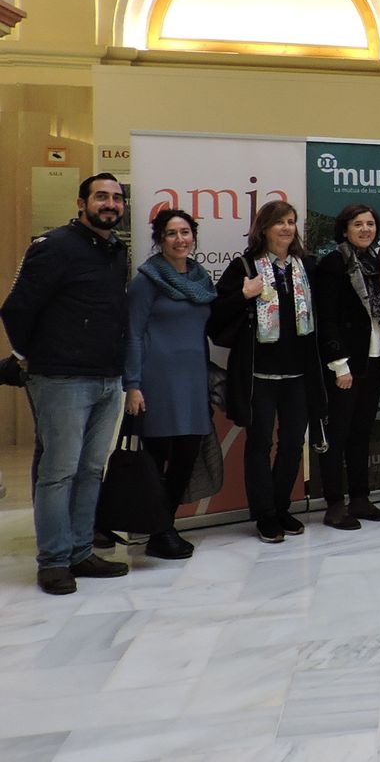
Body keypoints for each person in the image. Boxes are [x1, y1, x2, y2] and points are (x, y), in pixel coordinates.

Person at [2, 173, 131, 594]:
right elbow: (16, 309)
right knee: (59, 471)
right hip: (61, 379)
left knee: (91, 469)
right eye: (101, 197)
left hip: (107, 377)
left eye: (117, 198)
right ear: (81, 203)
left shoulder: (115, 250)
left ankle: (80, 551)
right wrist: (25, 356)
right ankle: (54, 561)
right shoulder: (54, 246)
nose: (110, 204)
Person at [210, 200, 327, 544]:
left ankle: (281, 507)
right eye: (280, 222)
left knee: (292, 444)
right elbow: (216, 318)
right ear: (264, 228)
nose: (287, 228)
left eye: (291, 221)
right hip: (259, 376)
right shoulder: (244, 267)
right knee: (259, 444)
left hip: (299, 375)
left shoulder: (307, 266)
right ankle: (264, 514)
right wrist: (244, 295)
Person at [124, 208, 214, 559]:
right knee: (156, 460)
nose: (180, 239)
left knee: (186, 459)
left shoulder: (201, 278)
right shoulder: (146, 280)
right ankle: (158, 531)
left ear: (194, 237)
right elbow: (132, 334)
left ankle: (165, 525)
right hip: (157, 381)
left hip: (193, 381)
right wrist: (132, 384)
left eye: (185, 232)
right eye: (171, 233)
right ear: (160, 239)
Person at [314, 203, 380, 530]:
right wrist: (338, 364)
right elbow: (327, 318)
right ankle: (334, 504)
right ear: (344, 229)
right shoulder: (334, 264)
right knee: (338, 435)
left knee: (362, 433)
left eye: (370, 224)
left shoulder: (376, 262)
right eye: (358, 224)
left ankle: (360, 498)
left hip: (373, 358)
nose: (365, 229)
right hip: (344, 365)